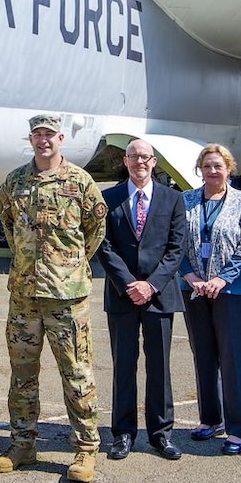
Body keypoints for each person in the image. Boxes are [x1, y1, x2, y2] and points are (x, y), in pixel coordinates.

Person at [0, 114, 105, 482]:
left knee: (76, 373)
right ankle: (23, 444)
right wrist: (29, 263)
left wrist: (68, 266)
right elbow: (5, 224)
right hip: (24, 295)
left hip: (67, 296)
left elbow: (95, 229)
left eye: (49, 135)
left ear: (60, 138)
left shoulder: (80, 182)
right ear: (31, 139)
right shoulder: (16, 181)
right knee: (22, 374)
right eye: (37, 135)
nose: (43, 141)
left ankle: (85, 450)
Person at [97, 139, 187, 460]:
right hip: (122, 295)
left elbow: (177, 248)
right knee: (124, 365)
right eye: (134, 157)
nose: (139, 162)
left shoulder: (173, 199)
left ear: (154, 161)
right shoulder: (108, 198)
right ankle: (122, 434)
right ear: (125, 160)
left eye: (145, 157)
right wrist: (129, 283)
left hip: (159, 296)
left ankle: (161, 434)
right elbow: (102, 245)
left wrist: (151, 285)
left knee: (159, 367)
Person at [179, 144, 241, 454]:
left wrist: (220, 279)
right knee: (203, 355)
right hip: (194, 290)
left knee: (233, 358)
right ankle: (210, 419)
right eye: (207, 165)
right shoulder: (186, 200)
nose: (212, 171)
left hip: (232, 291)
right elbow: (177, 243)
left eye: (218, 166)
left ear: (229, 169)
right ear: (199, 169)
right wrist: (190, 277)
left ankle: (239, 427)